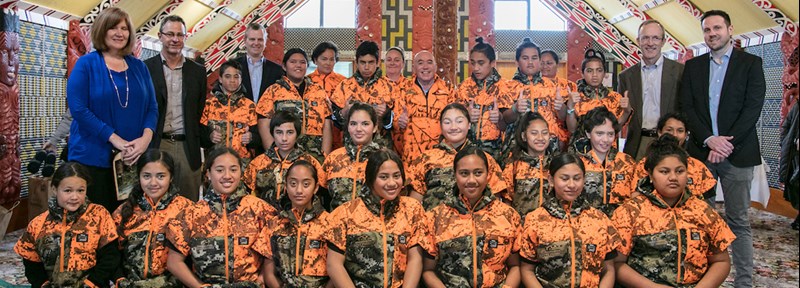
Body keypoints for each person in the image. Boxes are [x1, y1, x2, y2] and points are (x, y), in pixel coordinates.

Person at [679, 10, 766, 286]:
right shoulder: (694, 67)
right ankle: (702, 277)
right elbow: (687, 108)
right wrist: (708, 139)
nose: (712, 33)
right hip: (701, 154)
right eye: (707, 29)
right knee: (700, 220)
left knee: (738, 220)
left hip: (738, 154)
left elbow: (753, 109)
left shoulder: (751, 63)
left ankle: (744, 281)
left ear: (730, 29)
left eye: (717, 28)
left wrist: (725, 144)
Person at [66, 7, 158, 212]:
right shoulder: (86, 64)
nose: (119, 33)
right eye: (113, 28)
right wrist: (114, 139)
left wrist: (145, 139)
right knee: (95, 225)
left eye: (124, 28)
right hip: (92, 158)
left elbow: (152, 107)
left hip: (131, 159)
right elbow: (79, 109)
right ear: (102, 30)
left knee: (129, 223)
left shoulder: (139, 67)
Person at [612, 135, 735, 287]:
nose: (673, 177)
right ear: (650, 175)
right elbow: (616, 264)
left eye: (679, 171)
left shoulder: (703, 211)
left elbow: (721, 261)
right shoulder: (630, 212)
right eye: (664, 172)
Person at [166, 148, 275, 287]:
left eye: (233, 170)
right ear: (208, 174)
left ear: (241, 173)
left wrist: (260, 280)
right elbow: (174, 262)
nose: (227, 175)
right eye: (219, 170)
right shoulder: (191, 214)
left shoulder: (259, 209)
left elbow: (271, 255)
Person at [422, 146, 521, 287]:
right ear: (455, 175)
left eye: (478, 173)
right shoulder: (435, 217)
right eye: (464, 173)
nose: (471, 180)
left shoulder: (508, 215)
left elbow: (515, 266)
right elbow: (428, 270)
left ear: (488, 174)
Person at [326, 149, 426, 287]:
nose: (392, 183)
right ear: (371, 179)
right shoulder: (346, 213)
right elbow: (334, 264)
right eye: (383, 177)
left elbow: (415, 258)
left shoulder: (412, 209)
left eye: (396, 176)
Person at [519, 153, 620, 288]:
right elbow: (527, 270)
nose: (571, 185)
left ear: (584, 180)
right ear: (551, 179)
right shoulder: (535, 220)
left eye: (577, 178)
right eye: (564, 178)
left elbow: (608, 269)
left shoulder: (600, 219)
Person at [15, 162, 120, 288]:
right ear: (54, 189)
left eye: (80, 190)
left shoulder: (99, 216)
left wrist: (91, 283)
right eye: (68, 190)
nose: (74, 196)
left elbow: (110, 257)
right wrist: (43, 285)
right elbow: (31, 263)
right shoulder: (38, 224)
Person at [144, 15, 209, 201]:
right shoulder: (146, 68)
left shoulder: (197, 72)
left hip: (187, 145)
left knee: (189, 201)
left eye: (180, 35)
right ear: (160, 36)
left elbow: (199, 109)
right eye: (170, 34)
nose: (175, 39)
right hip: (157, 142)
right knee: (156, 200)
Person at [113, 149, 193, 287]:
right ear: (138, 177)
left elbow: (193, 258)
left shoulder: (187, 209)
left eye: (161, 176)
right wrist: (120, 280)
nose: (153, 183)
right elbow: (112, 254)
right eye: (147, 176)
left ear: (171, 177)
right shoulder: (123, 211)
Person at [409, 103, 507, 210]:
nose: (453, 127)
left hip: (474, 223)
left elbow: (496, 201)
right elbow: (414, 204)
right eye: (447, 122)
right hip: (435, 223)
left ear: (469, 125)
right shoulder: (425, 159)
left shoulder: (484, 159)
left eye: (459, 121)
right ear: (441, 126)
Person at [618, 19, 684, 160]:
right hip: (638, 143)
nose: (650, 43)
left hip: (670, 142)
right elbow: (620, 115)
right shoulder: (626, 76)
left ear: (663, 41)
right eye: (645, 38)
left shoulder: (680, 71)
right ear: (638, 41)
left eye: (655, 38)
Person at [260, 160, 331, 287]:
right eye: (293, 184)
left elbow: (336, 270)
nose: (299, 190)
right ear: (286, 187)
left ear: (315, 187)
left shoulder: (330, 223)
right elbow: (269, 273)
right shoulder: (275, 224)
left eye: (306, 184)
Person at [256, 48, 332, 163]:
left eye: (302, 62)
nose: (298, 65)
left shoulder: (319, 92)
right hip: (284, 156)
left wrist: (325, 156)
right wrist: (273, 154)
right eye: (293, 62)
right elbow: (264, 125)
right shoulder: (273, 91)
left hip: (315, 157)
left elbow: (327, 126)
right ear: (284, 66)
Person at [244, 111, 324, 208]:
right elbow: (247, 196)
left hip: (299, 218)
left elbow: (321, 194)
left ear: (297, 134)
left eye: (290, 132)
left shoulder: (309, 162)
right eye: (279, 132)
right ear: (272, 134)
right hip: (266, 219)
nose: (284, 138)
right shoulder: (258, 163)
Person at [631, 113, 716, 199]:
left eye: (680, 131)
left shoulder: (698, 166)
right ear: (660, 132)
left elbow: (706, 204)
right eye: (669, 130)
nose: (674, 134)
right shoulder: (644, 164)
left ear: (686, 135)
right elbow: (635, 195)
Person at [394, 50, 456, 169]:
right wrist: (399, 122)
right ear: (414, 67)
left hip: (441, 158)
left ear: (435, 66)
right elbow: (395, 124)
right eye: (420, 63)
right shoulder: (402, 89)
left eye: (429, 62)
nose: (425, 67)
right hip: (411, 158)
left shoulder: (448, 90)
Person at [505, 38, 566, 158]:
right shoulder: (508, 86)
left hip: (548, 146)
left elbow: (563, 117)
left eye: (534, 58)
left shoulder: (551, 85)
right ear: (517, 62)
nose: (530, 62)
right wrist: (515, 109)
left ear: (539, 60)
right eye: (525, 58)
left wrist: (562, 107)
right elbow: (504, 120)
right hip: (518, 146)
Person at [456, 37, 513, 164]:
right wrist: (466, 115)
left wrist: (499, 118)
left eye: (481, 63)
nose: (476, 68)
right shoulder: (464, 86)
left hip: (496, 152)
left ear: (492, 63)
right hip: (467, 149)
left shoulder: (505, 87)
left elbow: (510, 125)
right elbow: (454, 120)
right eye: (473, 63)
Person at [330, 41, 396, 149]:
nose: (366, 67)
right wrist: (343, 113)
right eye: (362, 62)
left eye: (371, 62)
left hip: (381, 148)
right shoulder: (344, 86)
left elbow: (398, 125)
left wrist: (386, 114)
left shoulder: (390, 87)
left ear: (378, 63)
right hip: (351, 148)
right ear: (356, 62)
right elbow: (334, 122)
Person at [572, 107, 636, 216]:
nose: (605, 140)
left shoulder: (627, 162)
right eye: (599, 133)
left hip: (621, 224)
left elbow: (636, 195)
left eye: (610, 134)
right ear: (588, 134)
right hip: (587, 224)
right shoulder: (576, 162)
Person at [319, 103, 382, 210]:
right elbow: (322, 196)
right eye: (353, 124)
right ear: (347, 127)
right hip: (338, 224)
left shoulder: (384, 159)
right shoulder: (333, 158)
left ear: (375, 127)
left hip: (373, 224)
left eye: (365, 124)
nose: (358, 129)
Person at [235, 23, 284, 156]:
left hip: (268, 129)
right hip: (240, 131)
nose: (256, 43)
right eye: (252, 39)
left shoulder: (277, 71)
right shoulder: (233, 66)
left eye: (260, 39)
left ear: (265, 41)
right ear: (245, 41)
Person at [563, 49, 631, 135]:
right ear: (582, 74)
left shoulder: (615, 98)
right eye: (589, 71)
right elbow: (572, 130)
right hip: (581, 147)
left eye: (599, 70)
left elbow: (616, 127)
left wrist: (627, 111)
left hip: (607, 146)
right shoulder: (575, 98)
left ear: (604, 73)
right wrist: (570, 107)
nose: (594, 75)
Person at [201, 60, 257, 161]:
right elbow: (200, 135)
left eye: (236, 77)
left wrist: (251, 137)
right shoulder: (209, 104)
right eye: (228, 76)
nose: (232, 80)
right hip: (215, 161)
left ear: (241, 79)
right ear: (220, 79)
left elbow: (258, 137)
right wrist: (210, 137)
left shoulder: (250, 106)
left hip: (242, 163)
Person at [503, 112, 556, 218]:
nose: (540, 137)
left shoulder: (556, 163)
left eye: (545, 133)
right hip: (522, 227)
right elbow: (506, 200)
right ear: (524, 136)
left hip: (552, 228)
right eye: (534, 133)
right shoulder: (514, 164)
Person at [307, 42, 347, 151]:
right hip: (312, 134)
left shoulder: (344, 82)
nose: (328, 63)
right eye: (324, 59)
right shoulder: (307, 81)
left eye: (331, 59)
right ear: (315, 60)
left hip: (338, 132)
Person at [384, 46, 413, 155]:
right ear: (384, 62)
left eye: (397, 60)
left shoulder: (412, 86)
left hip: (407, 140)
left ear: (403, 64)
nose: (392, 63)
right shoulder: (377, 85)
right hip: (381, 140)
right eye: (389, 60)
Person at [780, 100, 799, 230]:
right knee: (795, 184)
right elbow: (786, 126)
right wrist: (786, 141)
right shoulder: (797, 106)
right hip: (795, 154)